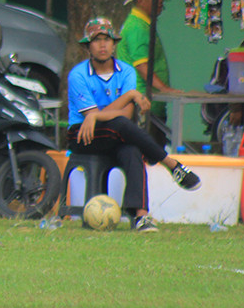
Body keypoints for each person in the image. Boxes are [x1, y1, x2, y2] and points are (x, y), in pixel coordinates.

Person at [68, 17, 201, 233]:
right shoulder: (78, 74)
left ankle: (141, 216)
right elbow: (91, 116)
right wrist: (129, 95)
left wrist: (99, 114)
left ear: (114, 44)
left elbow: (126, 113)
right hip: (83, 134)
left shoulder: (126, 71)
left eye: (107, 40)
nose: (102, 45)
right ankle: (170, 164)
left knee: (132, 149)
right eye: (96, 40)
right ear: (88, 46)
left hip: (117, 131)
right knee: (120, 125)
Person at [117, 0, 178, 144]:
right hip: (143, 104)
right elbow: (142, 65)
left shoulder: (143, 24)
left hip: (149, 104)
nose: (161, 1)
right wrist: (164, 89)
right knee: (149, 154)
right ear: (142, 0)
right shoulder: (137, 27)